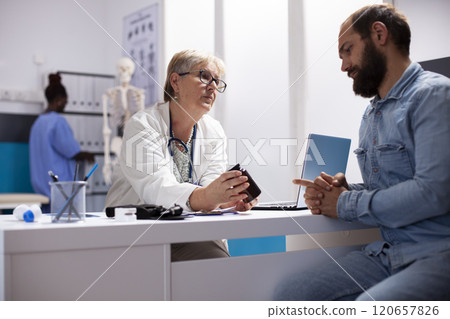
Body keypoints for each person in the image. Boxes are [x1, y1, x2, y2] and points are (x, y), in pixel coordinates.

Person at [275, 4, 450, 301]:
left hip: (437, 252)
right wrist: (341, 190)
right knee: (291, 294)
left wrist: (345, 203)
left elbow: (433, 192)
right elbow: (388, 188)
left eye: (347, 50)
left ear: (379, 34)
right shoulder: (372, 114)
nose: (343, 65)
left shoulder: (434, 95)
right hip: (388, 255)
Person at [105, 49, 258, 261]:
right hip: (139, 233)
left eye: (217, 81)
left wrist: (229, 199)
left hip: (191, 230)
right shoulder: (143, 125)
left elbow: (211, 185)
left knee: (220, 267)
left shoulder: (213, 130)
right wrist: (209, 196)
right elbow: (157, 189)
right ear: (176, 82)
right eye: (204, 76)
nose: (213, 86)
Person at [29, 73, 95, 213]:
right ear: (59, 99)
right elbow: (72, 152)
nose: (66, 103)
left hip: (43, 191)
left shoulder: (38, 123)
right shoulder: (57, 122)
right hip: (61, 192)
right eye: (65, 100)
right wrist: (88, 155)